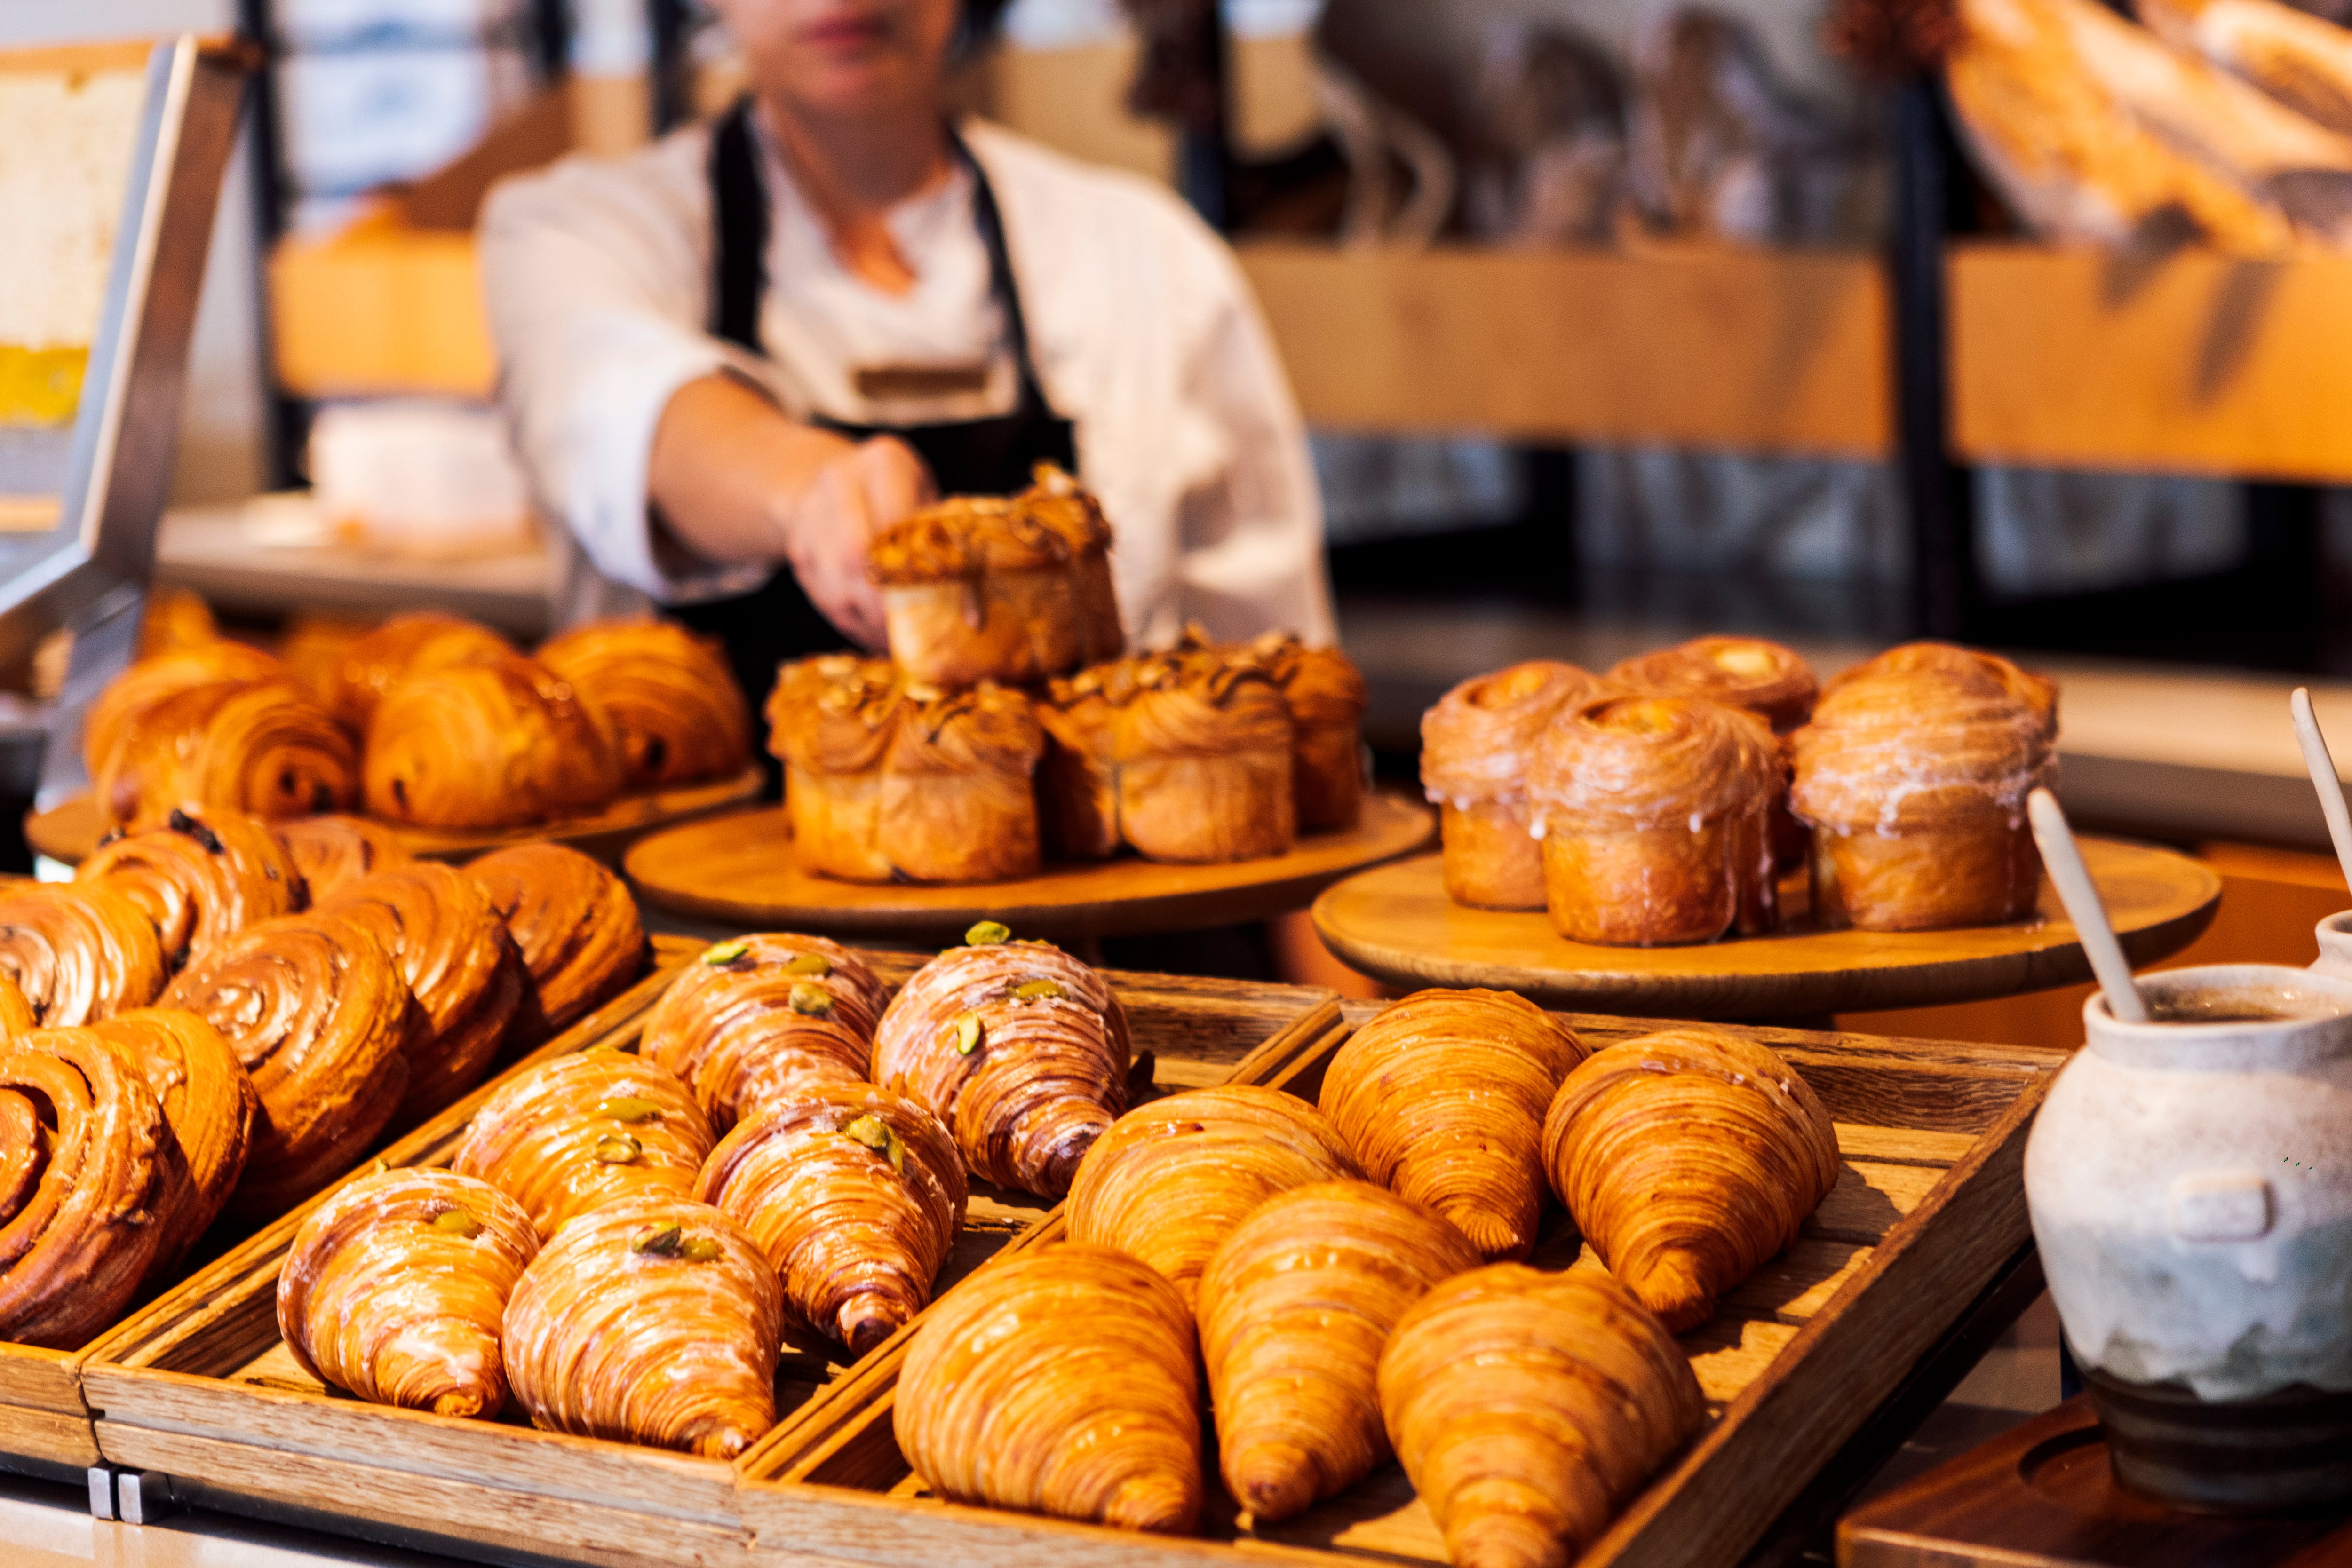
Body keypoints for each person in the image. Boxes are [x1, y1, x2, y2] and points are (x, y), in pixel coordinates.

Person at [479, 0, 1336, 721]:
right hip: (697, 922)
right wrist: (809, 491)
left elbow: (1274, 708)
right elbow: (621, 402)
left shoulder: (1146, 258)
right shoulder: (575, 229)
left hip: (1103, 913)